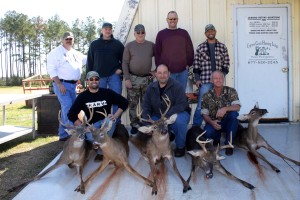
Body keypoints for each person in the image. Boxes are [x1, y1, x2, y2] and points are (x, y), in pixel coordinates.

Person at [68, 71, 128, 161]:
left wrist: (115, 115)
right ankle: (103, 148)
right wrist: (83, 127)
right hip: (93, 126)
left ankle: (101, 152)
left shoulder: (107, 93)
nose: (94, 81)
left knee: (110, 122)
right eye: (91, 79)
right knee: (88, 136)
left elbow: (124, 102)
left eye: (96, 79)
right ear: (87, 81)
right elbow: (71, 114)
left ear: (99, 81)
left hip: (106, 123)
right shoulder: (82, 96)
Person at [142, 64, 190, 157]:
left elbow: (182, 104)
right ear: (155, 74)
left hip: (177, 113)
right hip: (158, 115)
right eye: (159, 73)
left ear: (169, 74)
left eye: (165, 73)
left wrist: (167, 115)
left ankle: (180, 147)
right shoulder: (150, 88)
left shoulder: (177, 86)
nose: (162, 75)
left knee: (180, 121)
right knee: (148, 124)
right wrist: (146, 121)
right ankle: (167, 135)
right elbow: (146, 106)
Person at [47, 31, 87, 141]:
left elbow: (89, 59)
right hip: (62, 84)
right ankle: (71, 134)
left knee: (70, 109)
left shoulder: (76, 53)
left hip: (73, 86)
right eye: (67, 39)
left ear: (73, 40)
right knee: (68, 108)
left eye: (71, 39)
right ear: (62, 40)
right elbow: (51, 69)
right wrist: (59, 84)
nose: (69, 40)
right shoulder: (55, 53)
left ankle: (63, 134)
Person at [192, 24, 230, 127]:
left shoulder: (222, 47)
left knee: (218, 104)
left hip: (218, 82)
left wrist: (222, 76)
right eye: (208, 31)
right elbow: (196, 65)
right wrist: (197, 79)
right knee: (201, 105)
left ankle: (216, 127)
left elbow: (226, 64)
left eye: (212, 30)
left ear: (215, 31)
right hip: (205, 81)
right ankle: (195, 128)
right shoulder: (200, 47)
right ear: (205, 33)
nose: (210, 32)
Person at [86, 22, 124, 123]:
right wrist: (88, 78)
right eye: (105, 29)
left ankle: (117, 124)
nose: (108, 30)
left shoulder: (118, 44)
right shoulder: (94, 44)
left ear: (112, 30)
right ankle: (100, 124)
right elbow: (90, 61)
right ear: (101, 30)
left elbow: (125, 59)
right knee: (99, 101)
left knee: (116, 99)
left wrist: (121, 69)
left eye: (109, 29)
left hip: (114, 76)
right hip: (98, 77)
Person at [122, 24, 155, 135]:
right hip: (133, 78)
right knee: (132, 103)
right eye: (138, 32)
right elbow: (125, 63)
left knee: (147, 103)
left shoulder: (151, 45)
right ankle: (135, 124)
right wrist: (127, 79)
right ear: (134, 33)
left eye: (142, 32)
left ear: (145, 33)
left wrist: (155, 71)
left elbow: (160, 56)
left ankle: (146, 123)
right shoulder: (129, 46)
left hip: (147, 79)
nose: (140, 34)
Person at [201, 70, 240, 156]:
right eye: (215, 78)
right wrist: (211, 122)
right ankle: (217, 138)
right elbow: (204, 114)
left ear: (223, 79)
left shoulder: (231, 91)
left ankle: (228, 144)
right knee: (207, 132)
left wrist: (226, 108)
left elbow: (237, 106)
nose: (218, 80)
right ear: (211, 80)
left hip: (227, 122)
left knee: (234, 115)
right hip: (214, 122)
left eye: (220, 78)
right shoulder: (206, 95)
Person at [155, 11, 194, 90]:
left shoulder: (184, 33)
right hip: (167, 73)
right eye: (170, 18)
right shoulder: (161, 34)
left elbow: (190, 50)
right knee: (167, 96)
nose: (173, 20)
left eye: (174, 18)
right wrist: (161, 69)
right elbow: (157, 53)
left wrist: (188, 64)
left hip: (182, 72)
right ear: (167, 20)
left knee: (180, 95)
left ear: (177, 19)